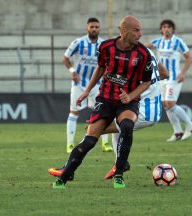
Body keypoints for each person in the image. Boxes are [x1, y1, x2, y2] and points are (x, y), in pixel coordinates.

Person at [52, 15, 153, 189]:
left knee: (127, 126)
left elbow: (146, 82)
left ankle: (119, 174)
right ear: (124, 31)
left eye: (140, 30)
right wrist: (86, 91)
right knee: (90, 140)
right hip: (105, 99)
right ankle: (64, 176)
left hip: (127, 101)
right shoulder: (106, 47)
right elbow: (100, 68)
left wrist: (130, 96)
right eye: (136, 30)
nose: (140, 34)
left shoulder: (143, 54)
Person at [48, 49, 169, 180]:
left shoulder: (130, 59)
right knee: (118, 124)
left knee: (92, 131)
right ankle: (120, 164)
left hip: (144, 111)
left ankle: (68, 170)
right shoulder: (147, 51)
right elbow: (164, 73)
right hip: (152, 109)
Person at [63, 17, 112, 154]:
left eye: (97, 27)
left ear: (99, 29)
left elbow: (108, 63)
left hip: (97, 85)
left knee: (104, 112)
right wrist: (72, 71)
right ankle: (70, 144)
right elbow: (65, 58)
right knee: (74, 112)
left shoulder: (103, 44)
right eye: (92, 27)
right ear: (87, 29)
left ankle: (105, 143)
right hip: (79, 84)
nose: (94, 29)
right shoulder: (78, 43)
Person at [145, 19, 192, 142]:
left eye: (169, 27)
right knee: (165, 104)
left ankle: (190, 125)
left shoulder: (178, 42)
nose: (166, 29)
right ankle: (177, 131)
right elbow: (144, 46)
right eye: (164, 27)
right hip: (162, 77)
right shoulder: (158, 42)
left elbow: (189, 58)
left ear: (173, 29)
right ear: (161, 29)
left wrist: (183, 73)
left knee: (170, 103)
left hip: (174, 77)